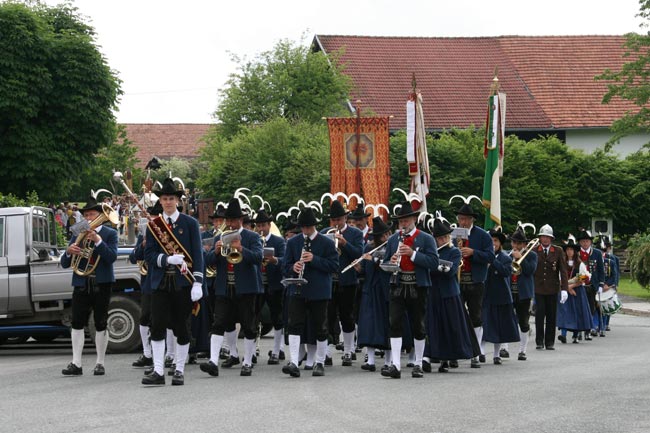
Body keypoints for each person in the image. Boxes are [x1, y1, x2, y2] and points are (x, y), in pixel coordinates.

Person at [141, 178, 204, 386]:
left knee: (181, 327)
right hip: (160, 282)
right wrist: (167, 259)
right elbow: (148, 255)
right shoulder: (153, 226)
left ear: (177, 200)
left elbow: (197, 254)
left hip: (182, 283)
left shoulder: (190, 223)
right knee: (157, 326)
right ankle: (158, 371)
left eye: (171, 198)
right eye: (165, 199)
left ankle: (179, 370)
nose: (168, 202)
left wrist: (198, 282)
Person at [200, 198, 263, 377]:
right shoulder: (220, 237)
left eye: (233, 220)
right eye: (228, 220)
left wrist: (241, 249)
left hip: (246, 288)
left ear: (241, 221)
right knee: (219, 323)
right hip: (225, 287)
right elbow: (208, 262)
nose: (230, 224)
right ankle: (213, 361)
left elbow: (258, 258)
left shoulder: (252, 237)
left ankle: (248, 362)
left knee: (248, 326)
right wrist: (216, 252)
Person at [60, 196, 118, 376]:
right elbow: (64, 263)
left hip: (101, 283)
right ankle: (76, 363)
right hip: (81, 282)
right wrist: (69, 252)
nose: (89, 218)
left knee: (101, 322)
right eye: (86, 215)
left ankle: (100, 362)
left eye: (92, 214)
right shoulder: (78, 230)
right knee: (77, 322)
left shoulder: (109, 233)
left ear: (100, 215)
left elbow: (111, 258)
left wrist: (98, 241)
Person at [380, 201, 439, 379]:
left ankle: (419, 363)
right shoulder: (393, 239)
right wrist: (391, 262)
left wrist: (412, 254)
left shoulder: (426, 238)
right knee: (394, 324)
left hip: (417, 286)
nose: (403, 224)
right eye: (401, 221)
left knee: (418, 325)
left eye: (406, 220)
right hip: (398, 285)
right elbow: (385, 262)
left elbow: (434, 263)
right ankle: (396, 365)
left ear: (413, 219)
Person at [282, 207, 339, 378]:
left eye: (308, 227)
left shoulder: (327, 243)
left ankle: (319, 362)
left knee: (320, 327)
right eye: (303, 228)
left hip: (319, 290)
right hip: (298, 288)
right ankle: (293, 361)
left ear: (314, 226)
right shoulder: (293, 243)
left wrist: (314, 259)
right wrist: (294, 267)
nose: (305, 231)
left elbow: (334, 266)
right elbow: (285, 267)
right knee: (294, 325)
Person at [425, 215, 479, 373]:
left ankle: (446, 359)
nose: (442, 240)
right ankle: (427, 357)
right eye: (439, 238)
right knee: (433, 325)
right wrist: (436, 266)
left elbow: (451, 272)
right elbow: (427, 269)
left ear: (448, 237)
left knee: (450, 326)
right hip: (434, 293)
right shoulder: (431, 252)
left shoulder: (454, 251)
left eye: (444, 237)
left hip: (450, 294)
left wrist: (436, 267)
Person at [321, 200, 363, 366]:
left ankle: (348, 350)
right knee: (328, 317)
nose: (337, 223)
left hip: (348, 280)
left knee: (347, 316)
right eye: (334, 220)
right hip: (330, 280)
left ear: (345, 218)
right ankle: (326, 352)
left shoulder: (355, 234)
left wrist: (344, 243)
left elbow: (359, 253)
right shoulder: (325, 232)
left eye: (339, 219)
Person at [454, 201, 494, 367]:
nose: (463, 222)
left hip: (476, 280)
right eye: (461, 218)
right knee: (456, 315)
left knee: (476, 316)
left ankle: (475, 353)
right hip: (457, 279)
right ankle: (455, 352)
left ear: (472, 220)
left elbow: (490, 257)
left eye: (466, 219)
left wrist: (473, 253)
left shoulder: (483, 235)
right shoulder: (454, 234)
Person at [356, 217, 393, 373]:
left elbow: (389, 266)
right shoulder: (368, 248)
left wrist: (375, 259)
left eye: (387, 234)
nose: (385, 238)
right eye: (382, 236)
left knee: (387, 325)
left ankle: (388, 360)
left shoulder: (391, 247)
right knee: (369, 324)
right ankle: (370, 360)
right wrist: (359, 268)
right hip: (370, 290)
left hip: (385, 290)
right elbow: (365, 270)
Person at [130, 202, 162, 368]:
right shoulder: (145, 234)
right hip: (148, 282)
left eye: (156, 216)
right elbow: (133, 257)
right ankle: (147, 353)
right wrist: (143, 246)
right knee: (144, 318)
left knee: (165, 320)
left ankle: (168, 355)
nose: (153, 219)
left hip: (164, 280)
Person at [481, 228, 520, 365]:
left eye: (496, 241)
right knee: (484, 324)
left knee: (498, 327)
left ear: (500, 243)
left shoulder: (505, 257)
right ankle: (481, 352)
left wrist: (493, 262)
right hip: (486, 294)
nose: (493, 243)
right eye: (491, 241)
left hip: (501, 296)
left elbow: (506, 272)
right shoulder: (484, 255)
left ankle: (497, 354)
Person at [254, 209, 287, 364]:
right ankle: (253, 349)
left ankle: (277, 349)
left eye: (263, 225)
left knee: (277, 317)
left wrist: (274, 260)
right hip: (258, 283)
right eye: (258, 225)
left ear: (269, 225)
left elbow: (284, 261)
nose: (261, 228)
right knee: (254, 316)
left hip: (274, 284)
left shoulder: (278, 241)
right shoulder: (254, 240)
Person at [533, 224, 568, 350]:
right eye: (543, 237)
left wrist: (564, 289)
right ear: (540, 238)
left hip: (553, 288)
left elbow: (563, 271)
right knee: (539, 316)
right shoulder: (534, 250)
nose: (545, 239)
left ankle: (549, 342)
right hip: (538, 288)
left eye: (548, 237)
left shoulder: (557, 251)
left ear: (551, 239)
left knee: (551, 316)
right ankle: (539, 341)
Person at [507, 225, 538, 361]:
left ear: (525, 244)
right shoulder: (507, 254)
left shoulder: (532, 255)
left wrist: (521, 258)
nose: (516, 245)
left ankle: (522, 350)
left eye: (519, 243)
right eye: (514, 242)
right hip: (509, 291)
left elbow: (530, 270)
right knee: (507, 320)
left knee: (523, 322)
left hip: (523, 293)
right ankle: (504, 348)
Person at [557, 236, 593, 344]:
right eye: (567, 249)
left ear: (575, 251)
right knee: (564, 312)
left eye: (571, 250)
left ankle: (575, 335)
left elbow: (586, 277)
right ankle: (563, 335)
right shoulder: (562, 263)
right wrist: (567, 288)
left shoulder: (580, 264)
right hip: (564, 290)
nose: (569, 252)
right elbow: (558, 278)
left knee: (577, 312)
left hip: (577, 291)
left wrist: (572, 287)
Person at [575, 230, 606, 337]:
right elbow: (574, 270)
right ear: (580, 242)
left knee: (591, 308)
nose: (585, 243)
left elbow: (601, 271)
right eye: (583, 241)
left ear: (590, 242)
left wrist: (601, 285)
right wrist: (580, 279)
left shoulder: (596, 253)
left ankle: (589, 329)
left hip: (592, 285)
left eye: (587, 241)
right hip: (579, 284)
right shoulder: (576, 253)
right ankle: (579, 330)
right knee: (579, 308)